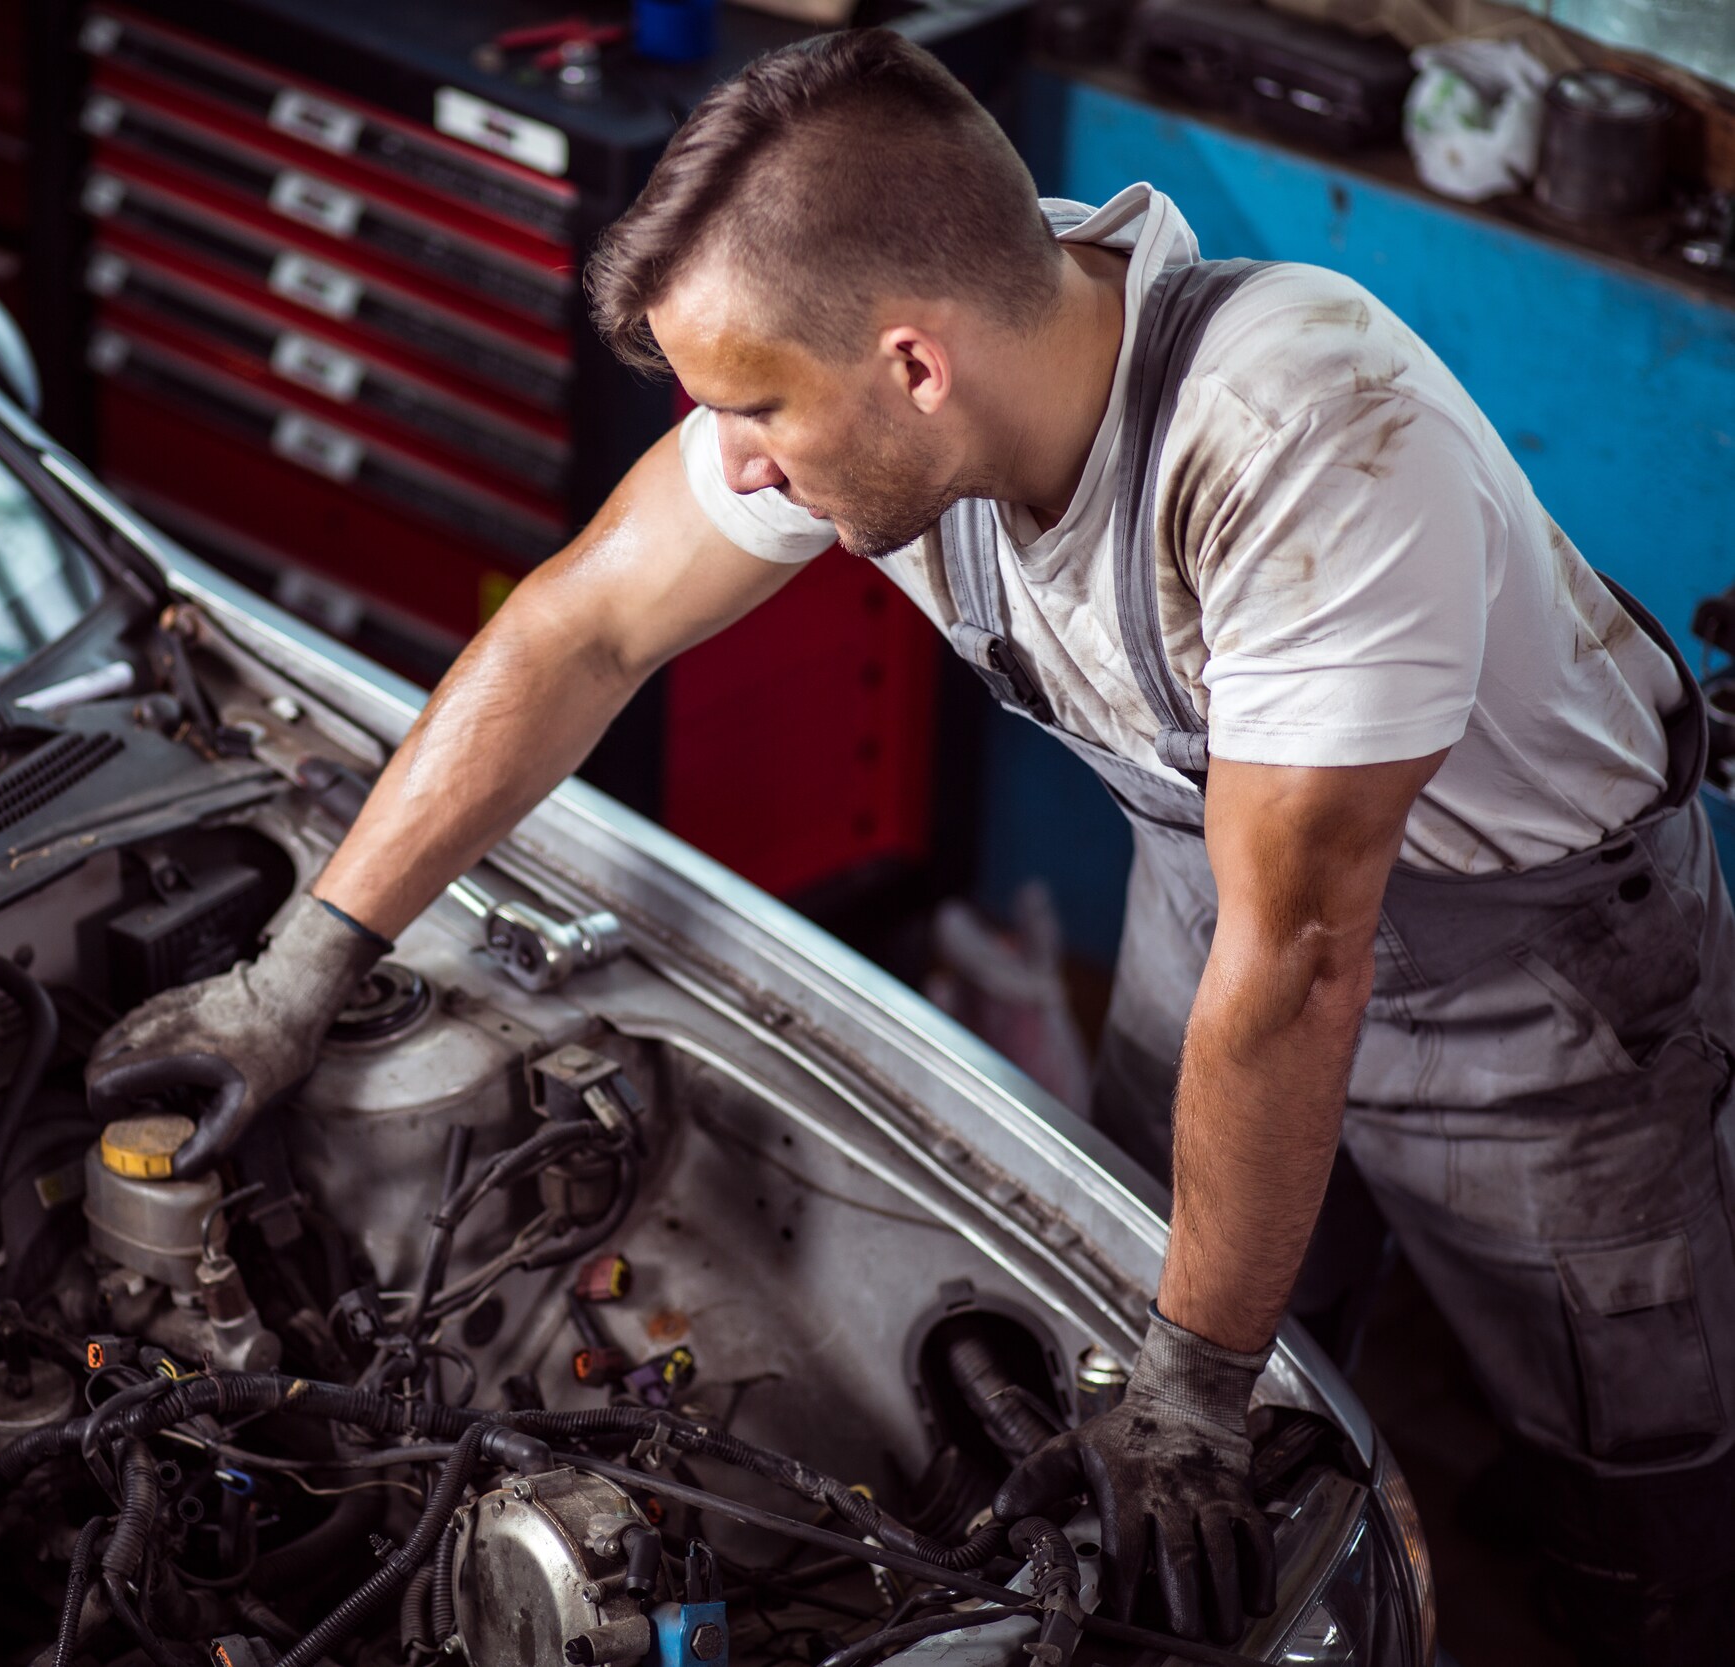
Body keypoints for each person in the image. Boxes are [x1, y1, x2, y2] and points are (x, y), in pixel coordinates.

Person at [86, 28, 1735, 1663]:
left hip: (1545, 990)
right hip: (1225, 899)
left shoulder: (1303, 431)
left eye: (749, 407)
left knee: (1624, 1448)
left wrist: (1195, 1379)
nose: (731, 458)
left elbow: (1306, 959)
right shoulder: (890, 366)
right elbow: (578, 633)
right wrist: (297, 969)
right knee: (1155, 1349)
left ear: (914, 366)